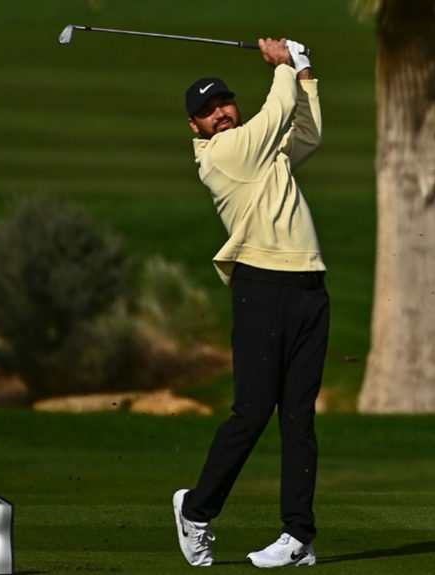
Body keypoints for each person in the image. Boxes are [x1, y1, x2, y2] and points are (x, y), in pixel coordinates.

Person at [172, 37, 328, 568]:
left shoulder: (261, 154)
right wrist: (283, 66)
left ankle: (298, 537)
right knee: (253, 412)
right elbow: (277, 114)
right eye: (208, 111)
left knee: (299, 419)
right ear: (195, 126)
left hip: (309, 288)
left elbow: (307, 132)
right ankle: (196, 510)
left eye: (224, 103)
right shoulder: (222, 156)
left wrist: (304, 73)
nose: (220, 113)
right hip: (262, 288)